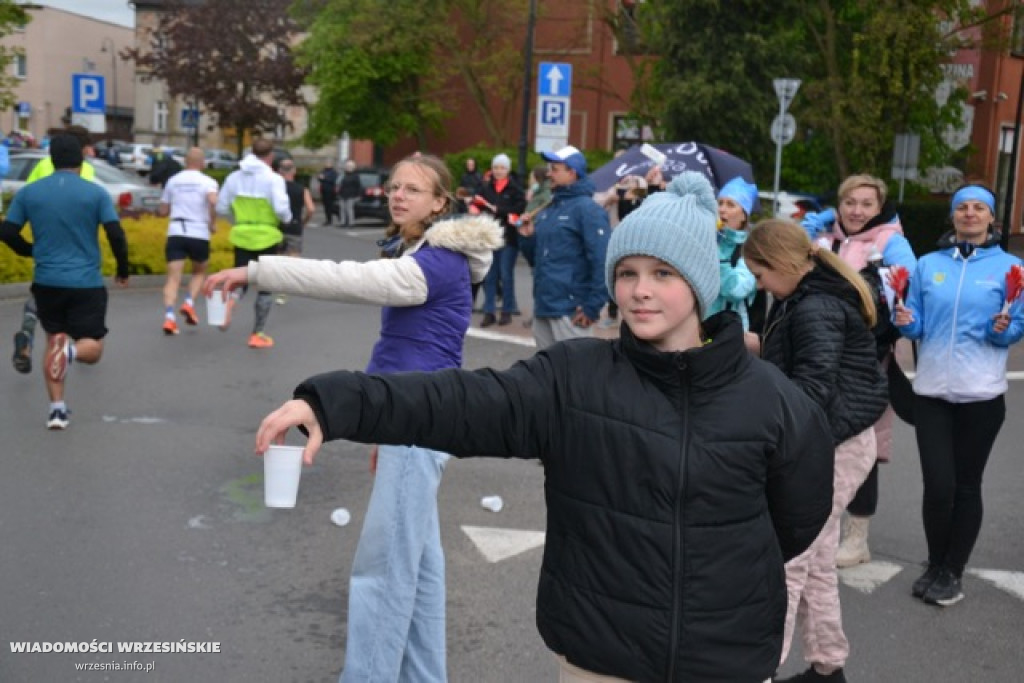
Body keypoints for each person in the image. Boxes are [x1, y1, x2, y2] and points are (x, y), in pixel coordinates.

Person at [254, 172, 835, 682]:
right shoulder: (574, 377)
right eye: (627, 272)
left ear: (702, 284)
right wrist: (332, 403)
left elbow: (797, 516)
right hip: (599, 658)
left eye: (663, 272)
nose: (640, 290)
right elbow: (459, 402)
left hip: (725, 659)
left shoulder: (771, 400)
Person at [206, 153, 503, 682]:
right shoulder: (424, 251)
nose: (397, 195)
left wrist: (256, 269)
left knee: (384, 571)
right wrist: (375, 428)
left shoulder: (432, 263)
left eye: (413, 189)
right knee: (421, 568)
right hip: (415, 419)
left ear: (440, 203)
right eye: (394, 186)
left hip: (421, 421)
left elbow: (346, 278)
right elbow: (395, 349)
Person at [742, 219, 888, 683]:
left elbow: (812, 386)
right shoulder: (805, 298)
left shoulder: (813, 306)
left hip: (832, 443)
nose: (758, 284)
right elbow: (803, 361)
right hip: (834, 438)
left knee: (789, 559)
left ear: (781, 262)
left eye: (760, 274)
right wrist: (749, 346)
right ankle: (828, 666)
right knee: (818, 558)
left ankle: (761, 670)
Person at [893, 185, 1024, 607]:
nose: (969, 214)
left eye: (978, 208)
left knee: (966, 486)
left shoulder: (1012, 268)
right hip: (930, 391)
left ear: (991, 219)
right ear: (953, 216)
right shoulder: (928, 265)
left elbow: (1015, 328)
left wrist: (1003, 330)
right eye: (962, 208)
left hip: (981, 397)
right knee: (937, 485)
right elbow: (915, 328)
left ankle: (953, 571)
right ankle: (934, 563)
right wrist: (906, 321)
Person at [801, 174, 918, 569]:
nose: (856, 211)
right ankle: (819, 527)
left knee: (864, 445)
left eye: (866, 203)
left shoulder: (890, 243)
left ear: (879, 207)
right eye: (849, 202)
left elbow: (905, 292)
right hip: (819, 355)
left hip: (868, 360)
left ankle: (858, 537)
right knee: (818, 442)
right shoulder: (824, 238)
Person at [0, 134, 130, 429]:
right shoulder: (95, 193)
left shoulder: (29, 193)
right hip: (85, 281)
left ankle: (56, 410)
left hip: (47, 281)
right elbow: (115, 234)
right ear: (82, 161)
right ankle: (71, 352)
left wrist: (32, 251)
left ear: (51, 159)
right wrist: (123, 268)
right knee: (92, 349)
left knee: (54, 339)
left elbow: (7, 232)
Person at [12, 125, 97, 374]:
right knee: (68, 298)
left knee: (41, 289)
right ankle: (71, 347)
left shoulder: (43, 165)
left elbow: (27, 195)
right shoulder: (86, 170)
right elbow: (84, 204)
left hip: (43, 237)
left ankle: (27, 333)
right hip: (73, 245)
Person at [520, 145, 610, 348]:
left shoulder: (588, 210)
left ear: (572, 173)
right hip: (544, 306)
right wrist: (527, 237)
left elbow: (602, 260)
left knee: (575, 376)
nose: (549, 173)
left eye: (555, 169)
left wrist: (592, 307)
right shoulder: (549, 208)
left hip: (570, 311)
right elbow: (535, 259)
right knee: (547, 375)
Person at [214, 138, 291, 348]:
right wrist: (287, 219)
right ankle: (257, 333)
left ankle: (231, 302)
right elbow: (282, 210)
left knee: (241, 279)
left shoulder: (234, 177)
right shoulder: (274, 179)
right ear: (271, 156)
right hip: (267, 236)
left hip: (242, 234)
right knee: (265, 285)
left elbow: (221, 207)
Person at [157, 147, 219, 335]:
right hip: (198, 231)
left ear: (185, 161)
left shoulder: (173, 181)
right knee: (199, 272)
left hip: (176, 230)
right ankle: (189, 302)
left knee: (173, 278)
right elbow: (213, 201)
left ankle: (169, 317)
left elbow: (163, 210)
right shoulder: (208, 181)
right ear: (202, 163)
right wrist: (212, 222)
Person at [474, 153, 526, 327]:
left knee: (506, 274)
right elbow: (477, 202)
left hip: (508, 238)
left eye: (502, 168)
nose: (498, 171)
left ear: (508, 170)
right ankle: (489, 312)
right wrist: (474, 207)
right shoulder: (486, 188)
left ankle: (507, 311)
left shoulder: (515, 189)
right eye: (496, 167)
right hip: (489, 238)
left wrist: (500, 209)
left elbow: (520, 208)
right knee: (490, 276)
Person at [707, 176, 763, 331]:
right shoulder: (706, 240)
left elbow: (737, 290)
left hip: (730, 332)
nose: (722, 209)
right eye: (720, 203)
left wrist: (721, 254)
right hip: (699, 327)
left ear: (744, 215)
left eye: (730, 205)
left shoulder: (750, 249)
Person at [274, 159, 315, 304]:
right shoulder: (302, 189)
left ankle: (274, 286)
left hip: (277, 226)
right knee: (292, 260)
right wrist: (304, 222)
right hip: (295, 226)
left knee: (277, 258)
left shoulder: (275, 188)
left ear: (279, 171)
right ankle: (284, 292)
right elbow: (311, 209)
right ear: (294, 171)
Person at [336, 159, 362, 228]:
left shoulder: (355, 176)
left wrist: (358, 195)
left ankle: (351, 223)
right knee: (342, 209)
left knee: (349, 209)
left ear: (353, 167)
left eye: (350, 166)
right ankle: (343, 222)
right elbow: (339, 184)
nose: (348, 168)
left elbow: (358, 186)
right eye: (347, 166)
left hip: (351, 195)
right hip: (342, 194)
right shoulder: (343, 175)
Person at [316, 160, 339, 225]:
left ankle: (330, 219)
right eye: (326, 164)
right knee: (325, 206)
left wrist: (324, 178)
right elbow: (319, 178)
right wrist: (320, 178)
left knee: (330, 205)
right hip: (324, 190)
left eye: (328, 164)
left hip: (330, 191)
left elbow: (333, 180)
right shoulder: (323, 171)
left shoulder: (333, 172)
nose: (326, 165)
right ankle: (327, 219)